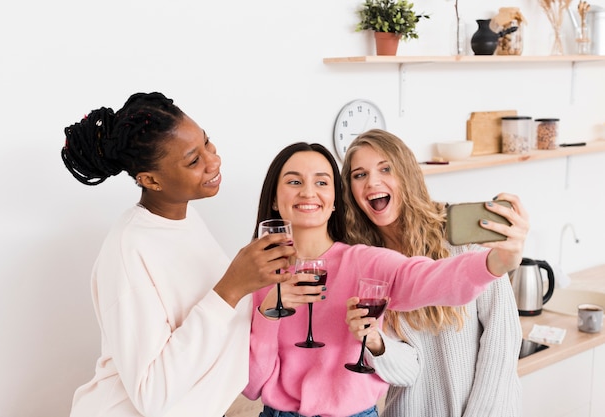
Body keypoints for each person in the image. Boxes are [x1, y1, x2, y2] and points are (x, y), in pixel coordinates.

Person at [242, 142, 527, 417]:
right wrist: (268, 313)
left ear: (334, 202)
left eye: (321, 182)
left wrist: (495, 263)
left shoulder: (366, 262)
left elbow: (429, 277)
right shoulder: (256, 274)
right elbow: (252, 386)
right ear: (274, 201)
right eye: (294, 182)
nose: (307, 192)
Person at [60, 92, 295, 417]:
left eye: (207, 143)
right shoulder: (129, 249)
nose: (213, 160)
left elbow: (211, 333)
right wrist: (232, 288)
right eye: (193, 160)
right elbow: (152, 394)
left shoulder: (185, 220)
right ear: (151, 180)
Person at [341, 129, 527, 417]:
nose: (372, 182)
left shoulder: (459, 236)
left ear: (407, 173)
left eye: (385, 168)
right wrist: (376, 343)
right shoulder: (367, 263)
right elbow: (408, 370)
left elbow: (502, 339)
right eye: (359, 175)